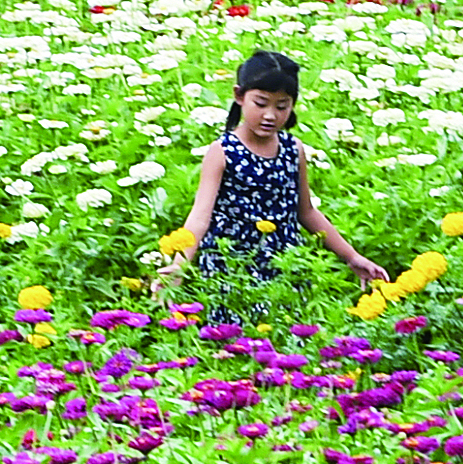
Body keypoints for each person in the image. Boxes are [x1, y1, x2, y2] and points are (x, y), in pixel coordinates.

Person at [154, 50, 387, 313]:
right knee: (234, 343)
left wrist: (352, 257)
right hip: (232, 269)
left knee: (286, 343)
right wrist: (179, 263)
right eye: (261, 103)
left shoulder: (292, 148)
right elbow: (199, 216)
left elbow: (306, 212)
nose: (270, 115)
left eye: (281, 106)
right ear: (239, 96)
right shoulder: (223, 151)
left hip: (284, 266)